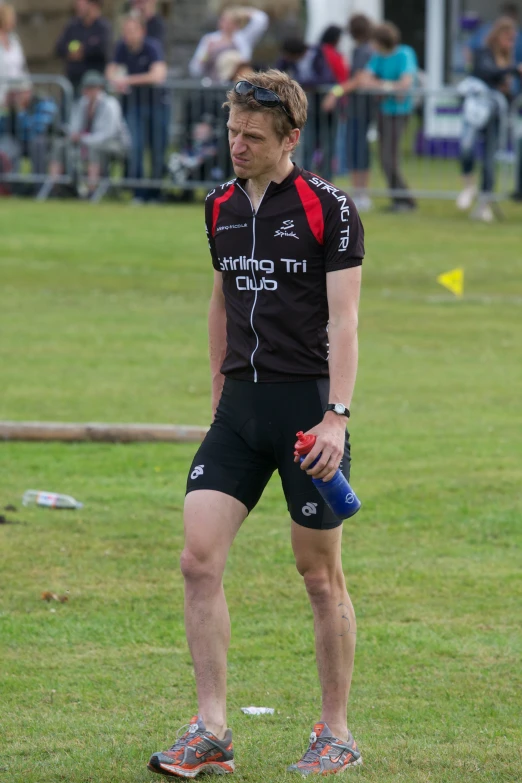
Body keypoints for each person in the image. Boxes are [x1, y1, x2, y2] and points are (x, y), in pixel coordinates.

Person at [148, 68, 364, 779]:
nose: (236, 145)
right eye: (232, 131)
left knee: (319, 575)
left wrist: (336, 417)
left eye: (252, 137)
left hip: (309, 415)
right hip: (240, 411)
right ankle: (212, 728)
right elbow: (220, 300)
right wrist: (218, 391)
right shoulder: (218, 207)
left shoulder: (328, 210)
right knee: (196, 558)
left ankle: (335, 731)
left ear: (290, 139)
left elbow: (345, 320)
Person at [457, 16, 522, 221]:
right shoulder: (483, 52)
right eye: (507, 38)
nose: (509, 43)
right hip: (475, 110)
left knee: (489, 160)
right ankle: (469, 186)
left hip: (495, 115)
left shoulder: (507, 59)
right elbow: (485, 73)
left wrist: (508, 89)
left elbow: (504, 88)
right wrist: (513, 71)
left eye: (512, 40)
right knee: (466, 148)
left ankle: (484, 204)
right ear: (498, 36)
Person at [106, 13, 168, 202]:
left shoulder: (152, 47)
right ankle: (139, 192)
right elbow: (110, 71)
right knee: (136, 148)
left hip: (157, 105)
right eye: (125, 31)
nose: (128, 35)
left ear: (142, 31)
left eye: (132, 30)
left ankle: (156, 193)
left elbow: (158, 75)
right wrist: (115, 80)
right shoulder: (121, 48)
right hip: (134, 106)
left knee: (158, 149)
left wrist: (128, 80)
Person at [357, 21, 418, 212]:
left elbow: (405, 84)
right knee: (385, 158)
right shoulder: (378, 57)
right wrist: (390, 86)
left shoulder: (404, 54)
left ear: (381, 41)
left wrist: (381, 85)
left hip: (399, 113)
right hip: (384, 111)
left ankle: (404, 199)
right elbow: (364, 81)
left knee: (388, 158)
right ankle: (400, 199)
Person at [49, 70, 130, 197]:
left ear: (100, 88)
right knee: (60, 145)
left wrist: (83, 139)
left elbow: (108, 134)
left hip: (114, 144)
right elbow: (74, 126)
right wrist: (72, 134)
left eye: (92, 88)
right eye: (87, 88)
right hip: (87, 141)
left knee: (94, 149)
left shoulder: (110, 104)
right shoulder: (82, 103)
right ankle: (55, 188)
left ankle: (91, 191)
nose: (89, 91)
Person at [323, 14, 374, 211]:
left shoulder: (363, 50)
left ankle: (361, 193)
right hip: (358, 107)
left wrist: (336, 92)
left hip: (360, 108)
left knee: (358, 148)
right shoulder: (364, 49)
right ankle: (359, 192)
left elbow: (358, 78)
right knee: (356, 148)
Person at [276, 37, 336, 177]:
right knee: (306, 145)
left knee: (327, 147)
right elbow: (276, 72)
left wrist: (298, 82)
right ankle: (304, 180)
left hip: (325, 106)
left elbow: (326, 78)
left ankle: (326, 181)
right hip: (307, 108)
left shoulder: (318, 54)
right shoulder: (289, 59)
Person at [0, 78, 57, 192]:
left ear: (28, 92)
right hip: (22, 141)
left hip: (43, 141)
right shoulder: (16, 108)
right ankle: (11, 187)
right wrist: (9, 110)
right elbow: (5, 128)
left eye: (20, 93)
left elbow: (41, 127)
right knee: (7, 146)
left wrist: (22, 114)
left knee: (37, 144)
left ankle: (39, 187)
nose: (18, 96)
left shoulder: (43, 103)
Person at [189, 7, 268, 83]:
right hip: (214, 87)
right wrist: (207, 53)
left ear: (237, 24)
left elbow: (261, 20)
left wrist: (241, 11)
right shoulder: (210, 39)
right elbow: (195, 69)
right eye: (224, 20)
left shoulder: (243, 38)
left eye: (231, 21)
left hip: (236, 84)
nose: (226, 24)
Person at [55, 0, 112, 96]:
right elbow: (59, 48)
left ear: (93, 5)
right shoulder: (73, 25)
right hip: (73, 81)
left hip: (94, 85)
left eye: (82, 2)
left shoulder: (103, 27)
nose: (77, 5)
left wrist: (83, 52)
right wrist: (72, 53)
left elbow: (102, 50)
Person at [0, 4, 28, 109]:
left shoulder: (14, 40)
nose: (14, 20)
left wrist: (26, 88)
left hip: (17, 96)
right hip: (2, 96)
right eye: (11, 17)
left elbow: (22, 67)